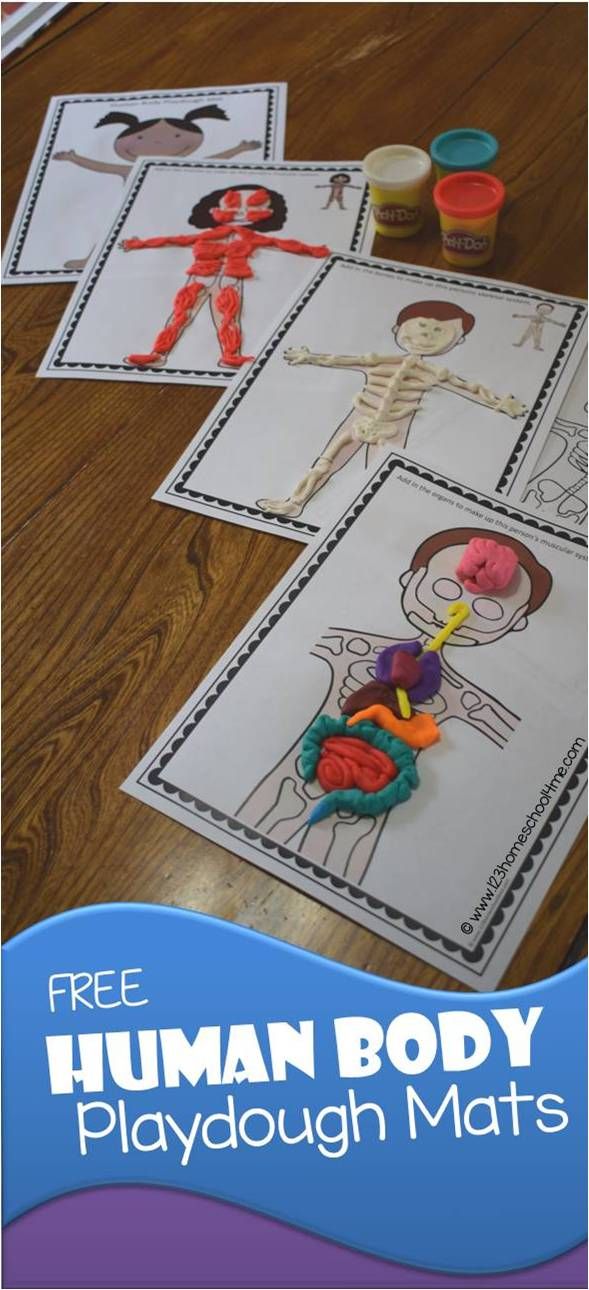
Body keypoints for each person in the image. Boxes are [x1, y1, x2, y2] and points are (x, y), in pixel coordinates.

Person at [239, 526, 552, 882]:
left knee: (335, 858)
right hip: (298, 775)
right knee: (264, 816)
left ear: (516, 624)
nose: (461, 607)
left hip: (369, 802)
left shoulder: (464, 696)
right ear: (411, 578)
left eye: (489, 611)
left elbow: (512, 734)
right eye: (443, 587)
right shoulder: (348, 644)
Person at [257, 300, 528, 518]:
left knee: (382, 474)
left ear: (458, 341)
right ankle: (295, 503)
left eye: (439, 331)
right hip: (360, 416)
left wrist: (501, 403)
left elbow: (467, 387)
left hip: (395, 426)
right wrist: (308, 357)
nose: (425, 335)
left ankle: (362, 522)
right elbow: (339, 360)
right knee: (325, 463)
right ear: (397, 330)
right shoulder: (377, 361)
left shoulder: (434, 372)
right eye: (421, 326)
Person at [119, 185, 330, 370]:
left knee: (228, 318)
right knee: (180, 315)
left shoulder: (250, 237)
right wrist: (137, 244)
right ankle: (158, 354)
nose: (241, 213)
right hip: (200, 278)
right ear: (216, 210)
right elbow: (173, 239)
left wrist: (314, 250)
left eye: (251, 207)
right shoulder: (206, 235)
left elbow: (281, 244)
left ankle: (230, 356)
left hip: (230, 280)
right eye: (233, 206)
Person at [53, 106, 261, 180]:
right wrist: (74, 158)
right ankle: (91, 259)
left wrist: (240, 148)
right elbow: (102, 167)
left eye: (177, 137)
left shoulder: (184, 167)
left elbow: (215, 161)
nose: (160, 142)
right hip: (137, 208)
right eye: (141, 138)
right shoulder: (135, 170)